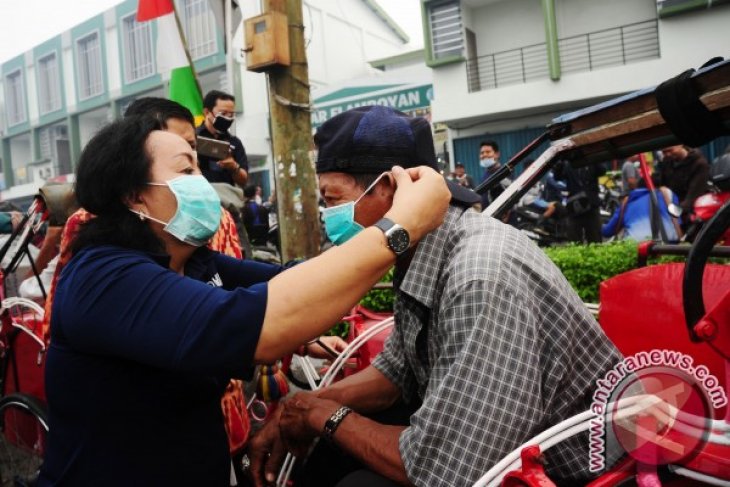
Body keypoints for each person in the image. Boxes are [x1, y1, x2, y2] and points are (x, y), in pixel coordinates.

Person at [38, 113, 448, 485]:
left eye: (199, 166)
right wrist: (400, 228)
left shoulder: (196, 264)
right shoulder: (104, 277)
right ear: (134, 195)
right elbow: (261, 322)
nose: (202, 182)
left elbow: (291, 284)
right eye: (185, 169)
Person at [247, 106, 622, 487]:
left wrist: (320, 415)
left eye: (332, 199)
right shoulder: (419, 251)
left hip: (574, 473)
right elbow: (396, 371)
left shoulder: (478, 276)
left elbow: (444, 471)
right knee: (332, 448)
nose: (328, 216)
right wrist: (300, 407)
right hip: (505, 445)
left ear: (390, 188)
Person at [602, 176, 683, 241]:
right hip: (671, 248)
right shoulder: (669, 195)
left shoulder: (627, 202)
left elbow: (607, 231)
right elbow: (679, 220)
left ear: (638, 188)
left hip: (637, 250)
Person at [198, 90, 248, 188]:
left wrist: (234, 167)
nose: (228, 118)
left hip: (227, 198)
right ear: (207, 112)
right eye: (223, 113)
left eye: (231, 114)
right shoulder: (193, 137)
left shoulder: (235, 142)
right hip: (200, 196)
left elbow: (243, 181)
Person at [553, 159, 607, 243]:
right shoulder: (567, 164)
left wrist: (592, 157)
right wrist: (560, 161)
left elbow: (603, 171)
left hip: (592, 205)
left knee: (595, 240)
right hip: (575, 207)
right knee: (574, 240)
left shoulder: (591, 163)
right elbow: (557, 177)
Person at [657, 145, 710, 217]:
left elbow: (691, 198)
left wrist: (672, 212)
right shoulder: (667, 162)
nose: (667, 154)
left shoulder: (699, 164)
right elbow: (662, 186)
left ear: (680, 145)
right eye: (664, 152)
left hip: (690, 213)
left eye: (670, 150)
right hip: (673, 208)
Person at [477, 140, 510, 210]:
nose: (484, 155)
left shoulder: (504, 173)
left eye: (488, 152)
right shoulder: (485, 175)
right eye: (482, 153)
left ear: (497, 154)